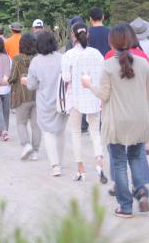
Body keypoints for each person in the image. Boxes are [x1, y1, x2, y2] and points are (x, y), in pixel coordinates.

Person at [85, 23, 149, 218]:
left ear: (112, 43)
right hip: (140, 120)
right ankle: (141, 190)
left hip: (116, 121)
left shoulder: (108, 65)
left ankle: (125, 206)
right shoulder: (143, 63)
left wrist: (89, 85)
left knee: (119, 162)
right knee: (136, 156)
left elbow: (104, 95)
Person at [61, 21, 107, 184]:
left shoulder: (68, 55)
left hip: (75, 96)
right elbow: (103, 74)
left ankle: (80, 168)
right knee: (95, 131)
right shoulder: (96, 53)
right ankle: (99, 161)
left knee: (75, 132)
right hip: (94, 95)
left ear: (72, 35)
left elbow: (66, 77)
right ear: (87, 34)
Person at [22, 31, 68, 177]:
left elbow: (31, 85)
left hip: (44, 101)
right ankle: (60, 161)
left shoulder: (36, 61)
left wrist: (26, 81)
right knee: (60, 131)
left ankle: (55, 166)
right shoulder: (62, 58)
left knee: (48, 132)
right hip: (62, 101)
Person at [9, 33, 41, 161]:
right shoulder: (38, 58)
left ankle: (26, 144)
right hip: (37, 95)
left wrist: (7, 80)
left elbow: (12, 77)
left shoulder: (17, 59)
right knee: (36, 125)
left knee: (21, 123)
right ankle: (35, 152)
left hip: (22, 96)